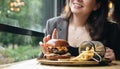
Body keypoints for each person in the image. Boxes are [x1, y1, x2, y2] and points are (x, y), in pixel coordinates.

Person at [39, 0, 120, 60]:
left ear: (97, 5)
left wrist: (114, 57)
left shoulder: (111, 29)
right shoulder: (52, 24)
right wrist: (46, 54)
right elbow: (41, 61)